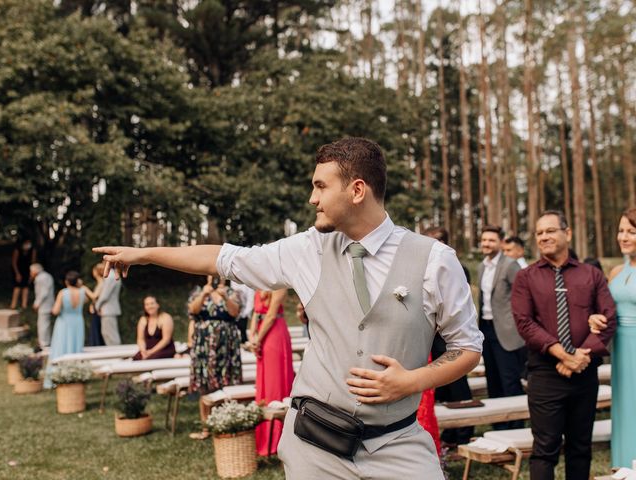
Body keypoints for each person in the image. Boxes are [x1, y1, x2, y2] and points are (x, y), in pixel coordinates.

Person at [94, 137, 483, 479]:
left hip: (399, 443)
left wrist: (411, 382)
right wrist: (144, 254)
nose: (312, 198)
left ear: (357, 190)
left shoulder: (435, 260)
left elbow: (467, 348)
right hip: (316, 446)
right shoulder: (307, 249)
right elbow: (223, 258)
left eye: (320, 186)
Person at [511, 210, 616, 480]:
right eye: (539, 233)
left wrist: (580, 357)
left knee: (580, 448)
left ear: (567, 233)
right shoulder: (526, 278)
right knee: (545, 450)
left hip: (584, 374)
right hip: (546, 374)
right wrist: (563, 355)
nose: (544, 237)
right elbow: (525, 323)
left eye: (550, 230)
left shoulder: (591, 275)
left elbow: (609, 318)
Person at [589, 208, 636, 468]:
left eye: (631, 231)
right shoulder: (617, 271)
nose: (623, 236)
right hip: (620, 349)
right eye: (621, 230)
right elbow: (607, 310)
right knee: (625, 409)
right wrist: (596, 318)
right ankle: (624, 466)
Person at [422, 226, 474, 447]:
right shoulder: (423, 266)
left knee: (458, 385)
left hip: (450, 338)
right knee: (440, 388)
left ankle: (464, 432)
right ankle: (448, 434)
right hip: (430, 339)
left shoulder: (455, 266)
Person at [478, 225, 526, 430]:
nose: (487, 244)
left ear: (500, 243)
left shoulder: (510, 265)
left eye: (491, 240)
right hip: (486, 329)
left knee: (510, 381)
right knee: (493, 379)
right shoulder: (482, 266)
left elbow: (523, 296)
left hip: (506, 331)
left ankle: (516, 426)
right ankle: (499, 427)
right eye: (484, 240)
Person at [187, 276, 242, 440]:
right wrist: (204, 294)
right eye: (212, 274)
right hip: (204, 345)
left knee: (226, 382)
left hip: (227, 344)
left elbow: (235, 312)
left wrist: (224, 296)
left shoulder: (232, 292)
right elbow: (193, 310)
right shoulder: (198, 291)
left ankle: (225, 425)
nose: (216, 278)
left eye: (218, 274)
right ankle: (206, 427)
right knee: (204, 384)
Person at [248, 289, 294, 456]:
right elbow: (256, 312)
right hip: (261, 333)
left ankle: (277, 440)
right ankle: (262, 437)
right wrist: (252, 336)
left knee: (275, 384)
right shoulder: (259, 283)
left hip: (274, 333)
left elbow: (271, 315)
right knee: (264, 385)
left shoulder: (280, 286)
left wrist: (258, 339)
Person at [44, 271, 96, 389]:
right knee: (76, 347)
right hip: (77, 322)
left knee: (60, 347)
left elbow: (56, 311)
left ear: (66, 281)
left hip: (64, 323)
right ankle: (76, 376)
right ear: (77, 281)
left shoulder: (63, 293)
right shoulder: (82, 292)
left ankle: (56, 377)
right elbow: (91, 298)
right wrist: (81, 286)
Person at [132, 296, 176, 360]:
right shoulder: (143, 320)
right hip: (147, 350)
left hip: (164, 350)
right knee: (137, 358)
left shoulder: (165, 318)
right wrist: (143, 351)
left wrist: (151, 351)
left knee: (152, 358)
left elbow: (166, 340)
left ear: (158, 305)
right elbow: (140, 339)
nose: (150, 306)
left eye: (152, 303)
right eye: (147, 304)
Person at [30, 263, 54, 349]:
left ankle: (44, 343)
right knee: (44, 323)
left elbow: (44, 292)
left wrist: (37, 303)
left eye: (31, 271)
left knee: (43, 324)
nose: (31, 273)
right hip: (46, 304)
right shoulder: (46, 276)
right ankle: (44, 341)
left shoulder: (41, 278)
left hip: (45, 305)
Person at [95, 271, 122, 345]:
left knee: (111, 336)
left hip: (108, 310)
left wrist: (97, 306)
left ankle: (116, 355)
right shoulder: (113, 275)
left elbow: (105, 295)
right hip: (108, 310)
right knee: (107, 334)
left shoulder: (110, 277)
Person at [10, 238, 36, 309]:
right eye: (26, 243)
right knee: (17, 287)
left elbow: (33, 262)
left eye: (29, 243)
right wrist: (17, 273)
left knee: (26, 287)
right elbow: (14, 262)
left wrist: (31, 274)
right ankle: (13, 305)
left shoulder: (32, 250)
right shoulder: (17, 250)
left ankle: (24, 305)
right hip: (18, 269)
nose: (28, 245)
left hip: (27, 270)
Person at [88, 263, 106, 346]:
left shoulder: (102, 282)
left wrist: (84, 289)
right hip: (96, 308)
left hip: (98, 310)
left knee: (97, 330)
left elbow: (94, 296)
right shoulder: (100, 282)